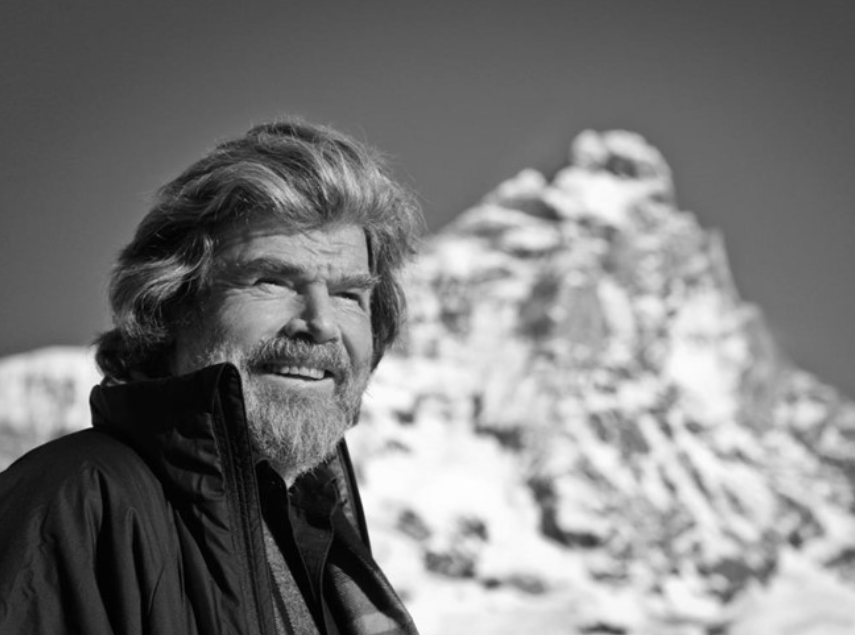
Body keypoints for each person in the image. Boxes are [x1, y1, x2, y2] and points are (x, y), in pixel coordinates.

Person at [0, 118, 422, 635]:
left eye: (349, 295)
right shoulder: (75, 505)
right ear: (173, 306)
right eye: (271, 280)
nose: (322, 324)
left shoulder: (324, 543)